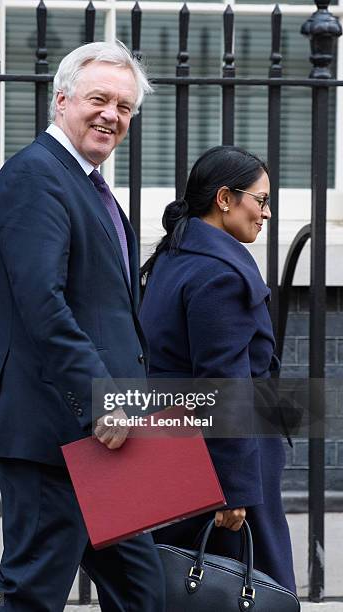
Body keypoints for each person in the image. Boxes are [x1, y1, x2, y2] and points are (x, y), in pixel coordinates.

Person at [0, 41, 165, 612]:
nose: (113, 115)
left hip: (109, 436)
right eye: (99, 99)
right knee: (27, 588)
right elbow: (42, 303)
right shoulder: (36, 177)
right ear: (61, 100)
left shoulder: (88, 184)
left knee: (141, 590)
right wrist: (101, 399)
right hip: (57, 427)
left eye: (125, 107)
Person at [139, 145, 296, 593]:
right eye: (261, 200)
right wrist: (235, 488)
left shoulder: (176, 256)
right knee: (253, 586)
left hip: (178, 446)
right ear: (225, 198)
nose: (266, 213)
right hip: (220, 459)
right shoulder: (219, 275)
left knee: (186, 585)